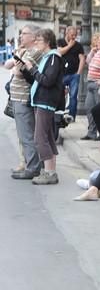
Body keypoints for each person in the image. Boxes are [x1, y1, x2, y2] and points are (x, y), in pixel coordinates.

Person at [19, 29, 64, 185]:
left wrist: (32, 68)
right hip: (41, 101)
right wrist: (26, 70)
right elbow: (37, 80)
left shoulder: (53, 58)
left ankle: (49, 172)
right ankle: (51, 171)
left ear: (47, 42)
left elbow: (47, 80)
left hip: (45, 102)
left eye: (39, 39)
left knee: (40, 138)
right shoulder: (48, 57)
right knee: (48, 137)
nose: (36, 42)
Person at [5, 23, 43, 179]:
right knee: (23, 135)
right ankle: (28, 164)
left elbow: (20, 73)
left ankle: (33, 168)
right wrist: (16, 61)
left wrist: (16, 65)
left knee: (27, 135)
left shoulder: (34, 52)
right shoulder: (24, 51)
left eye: (24, 33)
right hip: (16, 97)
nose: (21, 36)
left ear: (33, 37)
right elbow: (9, 65)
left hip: (23, 98)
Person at [58, 26, 85, 122]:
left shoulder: (78, 46)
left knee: (73, 96)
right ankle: (59, 113)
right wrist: (69, 46)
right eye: (72, 35)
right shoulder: (60, 42)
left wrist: (78, 73)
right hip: (62, 74)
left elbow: (82, 59)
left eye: (75, 35)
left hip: (74, 74)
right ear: (67, 33)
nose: (74, 37)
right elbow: (59, 52)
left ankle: (72, 116)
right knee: (59, 94)